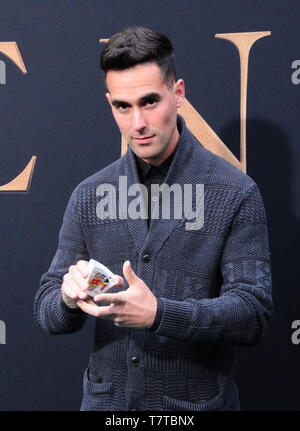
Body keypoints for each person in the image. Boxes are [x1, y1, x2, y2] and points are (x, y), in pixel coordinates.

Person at [33, 26, 272, 411]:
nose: (137, 123)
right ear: (110, 103)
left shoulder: (235, 193)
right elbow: (48, 311)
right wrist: (67, 295)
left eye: (149, 102)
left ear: (178, 94)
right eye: (123, 106)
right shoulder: (89, 195)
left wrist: (160, 314)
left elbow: (252, 314)